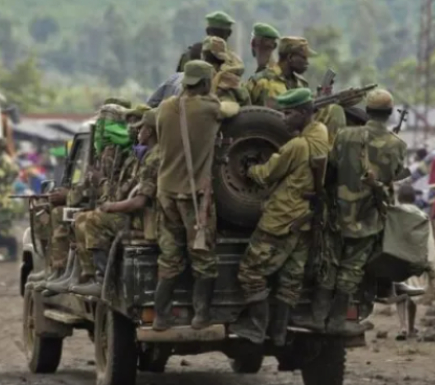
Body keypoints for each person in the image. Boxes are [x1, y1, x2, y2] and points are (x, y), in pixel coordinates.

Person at [236, 88, 329, 346]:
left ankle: (256, 327)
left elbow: (267, 174)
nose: (283, 119)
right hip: (305, 221)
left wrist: (250, 169)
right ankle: (279, 334)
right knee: (291, 278)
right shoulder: (321, 132)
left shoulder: (297, 146)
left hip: (280, 220)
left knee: (250, 271)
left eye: (288, 113)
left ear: (302, 113)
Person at [324, 89, 407, 335]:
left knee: (329, 265)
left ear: (367, 111)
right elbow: (393, 179)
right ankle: (340, 317)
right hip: (369, 220)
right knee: (353, 269)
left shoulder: (345, 135)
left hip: (337, 214)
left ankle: (320, 313)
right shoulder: (397, 144)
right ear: (390, 113)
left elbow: (330, 168)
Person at [153, 60, 221, 331]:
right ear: (205, 83)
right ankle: (201, 315)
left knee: (170, 256)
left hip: (166, 193)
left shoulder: (165, 108)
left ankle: (160, 316)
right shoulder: (209, 109)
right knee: (203, 257)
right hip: (193, 197)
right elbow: (233, 109)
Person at [72, 109, 160, 297]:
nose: (137, 132)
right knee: (84, 217)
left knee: (94, 220)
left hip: (144, 220)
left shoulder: (153, 158)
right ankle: (90, 275)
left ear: (150, 131)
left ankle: (102, 280)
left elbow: (139, 201)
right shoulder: (144, 156)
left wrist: (111, 206)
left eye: (141, 128)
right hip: (140, 216)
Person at [390, 184, 435, 340]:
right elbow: (429, 242)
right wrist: (431, 265)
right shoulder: (422, 216)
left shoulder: (394, 215)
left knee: (400, 292)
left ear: (400, 198)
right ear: (414, 199)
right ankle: (410, 328)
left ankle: (402, 327)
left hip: (397, 259)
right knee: (412, 293)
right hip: (416, 260)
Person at [246, 37, 314, 107]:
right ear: (290, 57)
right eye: (303, 58)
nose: (307, 62)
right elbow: (244, 111)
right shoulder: (261, 81)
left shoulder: (301, 84)